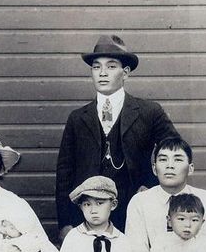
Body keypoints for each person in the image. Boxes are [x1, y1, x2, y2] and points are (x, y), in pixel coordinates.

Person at [56, 35, 178, 241]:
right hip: (88, 215)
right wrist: (65, 223)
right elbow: (64, 174)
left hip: (134, 214)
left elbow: (175, 152)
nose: (102, 73)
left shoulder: (149, 112)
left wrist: (152, 186)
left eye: (111, 67)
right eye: (96, 67)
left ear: (126, 72)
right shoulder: (77, 118)